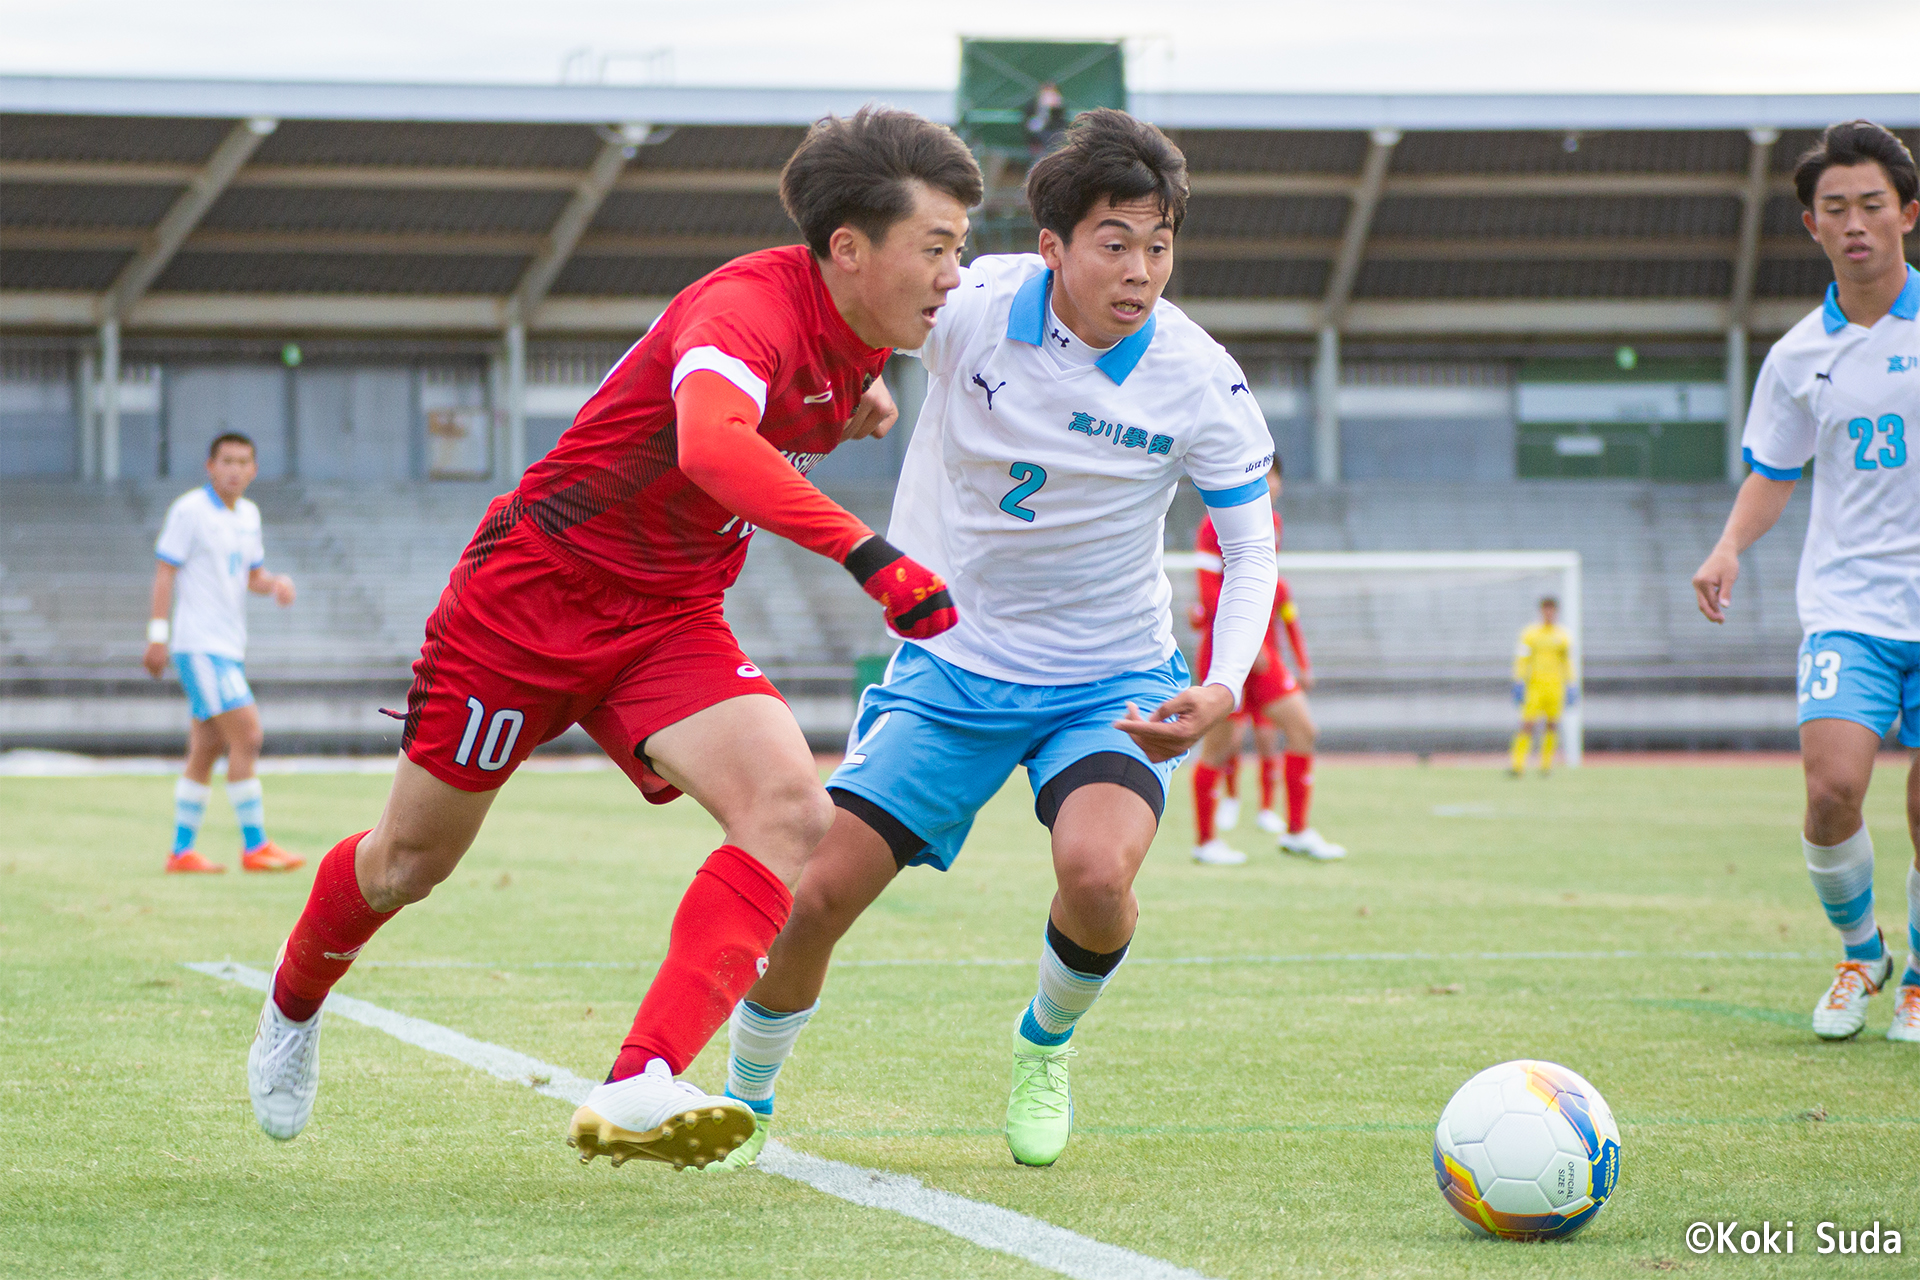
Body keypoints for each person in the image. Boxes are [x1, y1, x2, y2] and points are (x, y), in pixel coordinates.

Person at [244, 106, 982, 1162]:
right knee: (409, 862)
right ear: (850, 249)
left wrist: (858, 401)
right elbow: (713, 444)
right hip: (530, 600)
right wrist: (871, 553)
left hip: (669, 618)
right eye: (939, 247)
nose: (955, 273)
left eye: (960, 248)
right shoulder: (743, 309)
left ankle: (640, 1080)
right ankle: (295, 1000)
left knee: (790, 811)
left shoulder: (853, 341)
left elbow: (813, 399)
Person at [712, 109, 1279, 1172]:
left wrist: (1224, 679)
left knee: (1099, 873)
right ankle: (745, 1095)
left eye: (1160, 244)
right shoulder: (969, 303)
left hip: (1107, 679)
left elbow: (1249, 547)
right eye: (1115, 241)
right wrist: (853, 379)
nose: (1141, 269)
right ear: (1052, 245)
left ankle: (1044, 1044)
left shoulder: (1201, 378)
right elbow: (846, 307)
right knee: (815, 893)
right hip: (952, 670)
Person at [1690, 119, 1920, 1044]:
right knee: (1832, 789)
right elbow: (1774, 471)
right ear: (1811, 226)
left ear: (1908, 213)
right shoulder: (1795, 358)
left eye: (1872, 205)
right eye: (1837, 209)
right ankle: (1861, 953)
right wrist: (1728, 547)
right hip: (1847, 606)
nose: (1856, 223)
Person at [144, 432, 302, 875]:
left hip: (228, 646)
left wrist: (274, 584)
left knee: (208, 746)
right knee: (248, 734)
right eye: (226, 461)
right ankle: (255, 846)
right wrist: (157, 635)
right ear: (209, 466)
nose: (234, 469)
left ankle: (181, 852)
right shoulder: (189, 511)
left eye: (243, 462)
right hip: (200, 645)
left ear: (253, 469)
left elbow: (250, 574)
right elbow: (164, 572)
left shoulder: (249, 515)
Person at [1190, 465, 1343, 863]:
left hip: (1263, 653)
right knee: (1219, 748)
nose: (1273, 483)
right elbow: (1208, 591)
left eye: (1276, 475)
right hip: (1230, 652)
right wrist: (1238, 639)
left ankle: (1296, 831)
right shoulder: (1212, 527)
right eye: (1267, 475)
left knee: (1303, 729)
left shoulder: (1272, 522)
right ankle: (1206, 841)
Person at [1508, 596, 1573, 777]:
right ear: (1541, 611)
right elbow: (1522, 659)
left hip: (1555, 686)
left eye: (1552, 609)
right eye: (1546, 609)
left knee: (1552, 725)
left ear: (1556, 612)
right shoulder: (1530, 634)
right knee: (1527, 724)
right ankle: (1517, 765)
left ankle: (1545, 766)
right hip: (1535, 686)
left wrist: (1571, 684)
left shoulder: (1562, 636)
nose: (1549, 613)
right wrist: (1519, 681)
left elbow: (1567, 662)